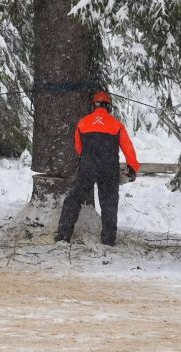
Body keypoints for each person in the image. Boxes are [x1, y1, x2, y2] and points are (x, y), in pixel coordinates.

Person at [55, 91, 141, 246]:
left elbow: (79, 148)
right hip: (109, 167)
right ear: (108, 107)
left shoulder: (83, 123)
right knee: (109, 202)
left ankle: (63, 235)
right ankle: (108, 240)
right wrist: (133, 167)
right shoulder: (117, 125)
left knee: (74, 199)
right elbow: (128, 148)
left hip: (88, 166)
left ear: (93, 105)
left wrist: (90, 158)